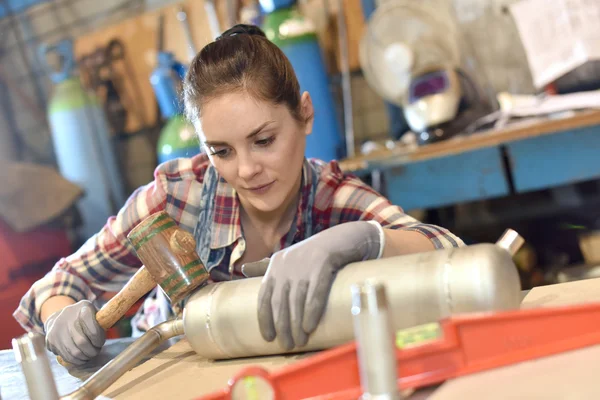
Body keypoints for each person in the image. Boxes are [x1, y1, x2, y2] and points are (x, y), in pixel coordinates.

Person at [13, 24, 464, 365]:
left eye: (264, 140)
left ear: (305, 115)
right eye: (222, 151)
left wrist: (363, 239)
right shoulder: (176, 197)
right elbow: (57, 283)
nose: (246, 170)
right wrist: (60, 317)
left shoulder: (334, 199)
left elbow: (451, 255)